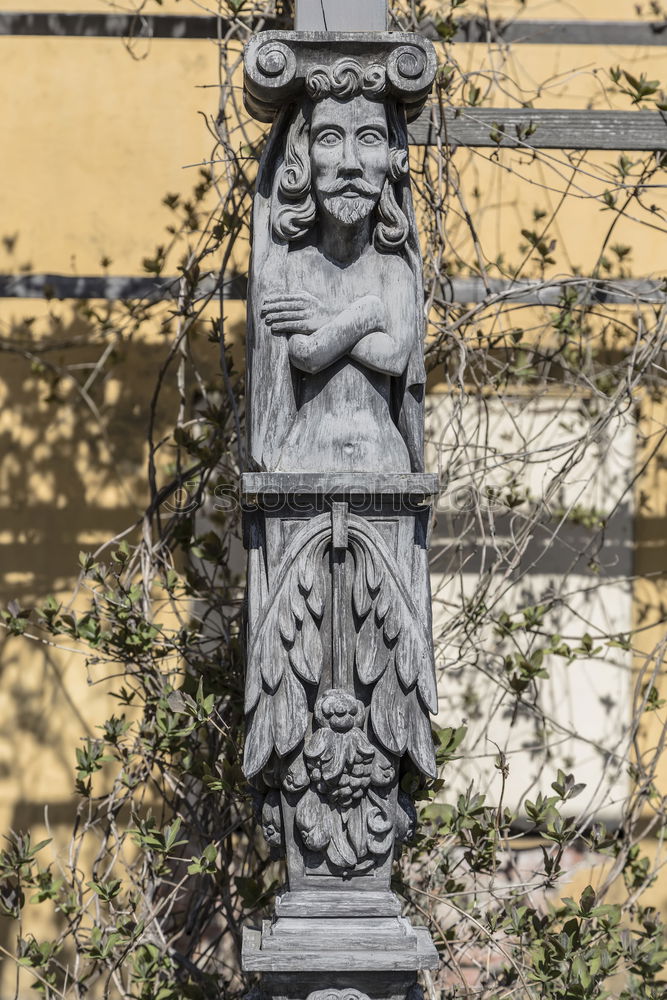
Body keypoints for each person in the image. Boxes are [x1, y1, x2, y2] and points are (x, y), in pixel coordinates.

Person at [246, 58, 426, 474]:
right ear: (302, 157)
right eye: (329, 137)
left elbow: (397, 357)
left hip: (385, 464)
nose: (350, 163)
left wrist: (329, 317)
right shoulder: (290, 268)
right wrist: (368, 317)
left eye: (369, 138)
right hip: (300, 463)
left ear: (391, 158)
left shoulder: (394, 270)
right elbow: (304, 356)